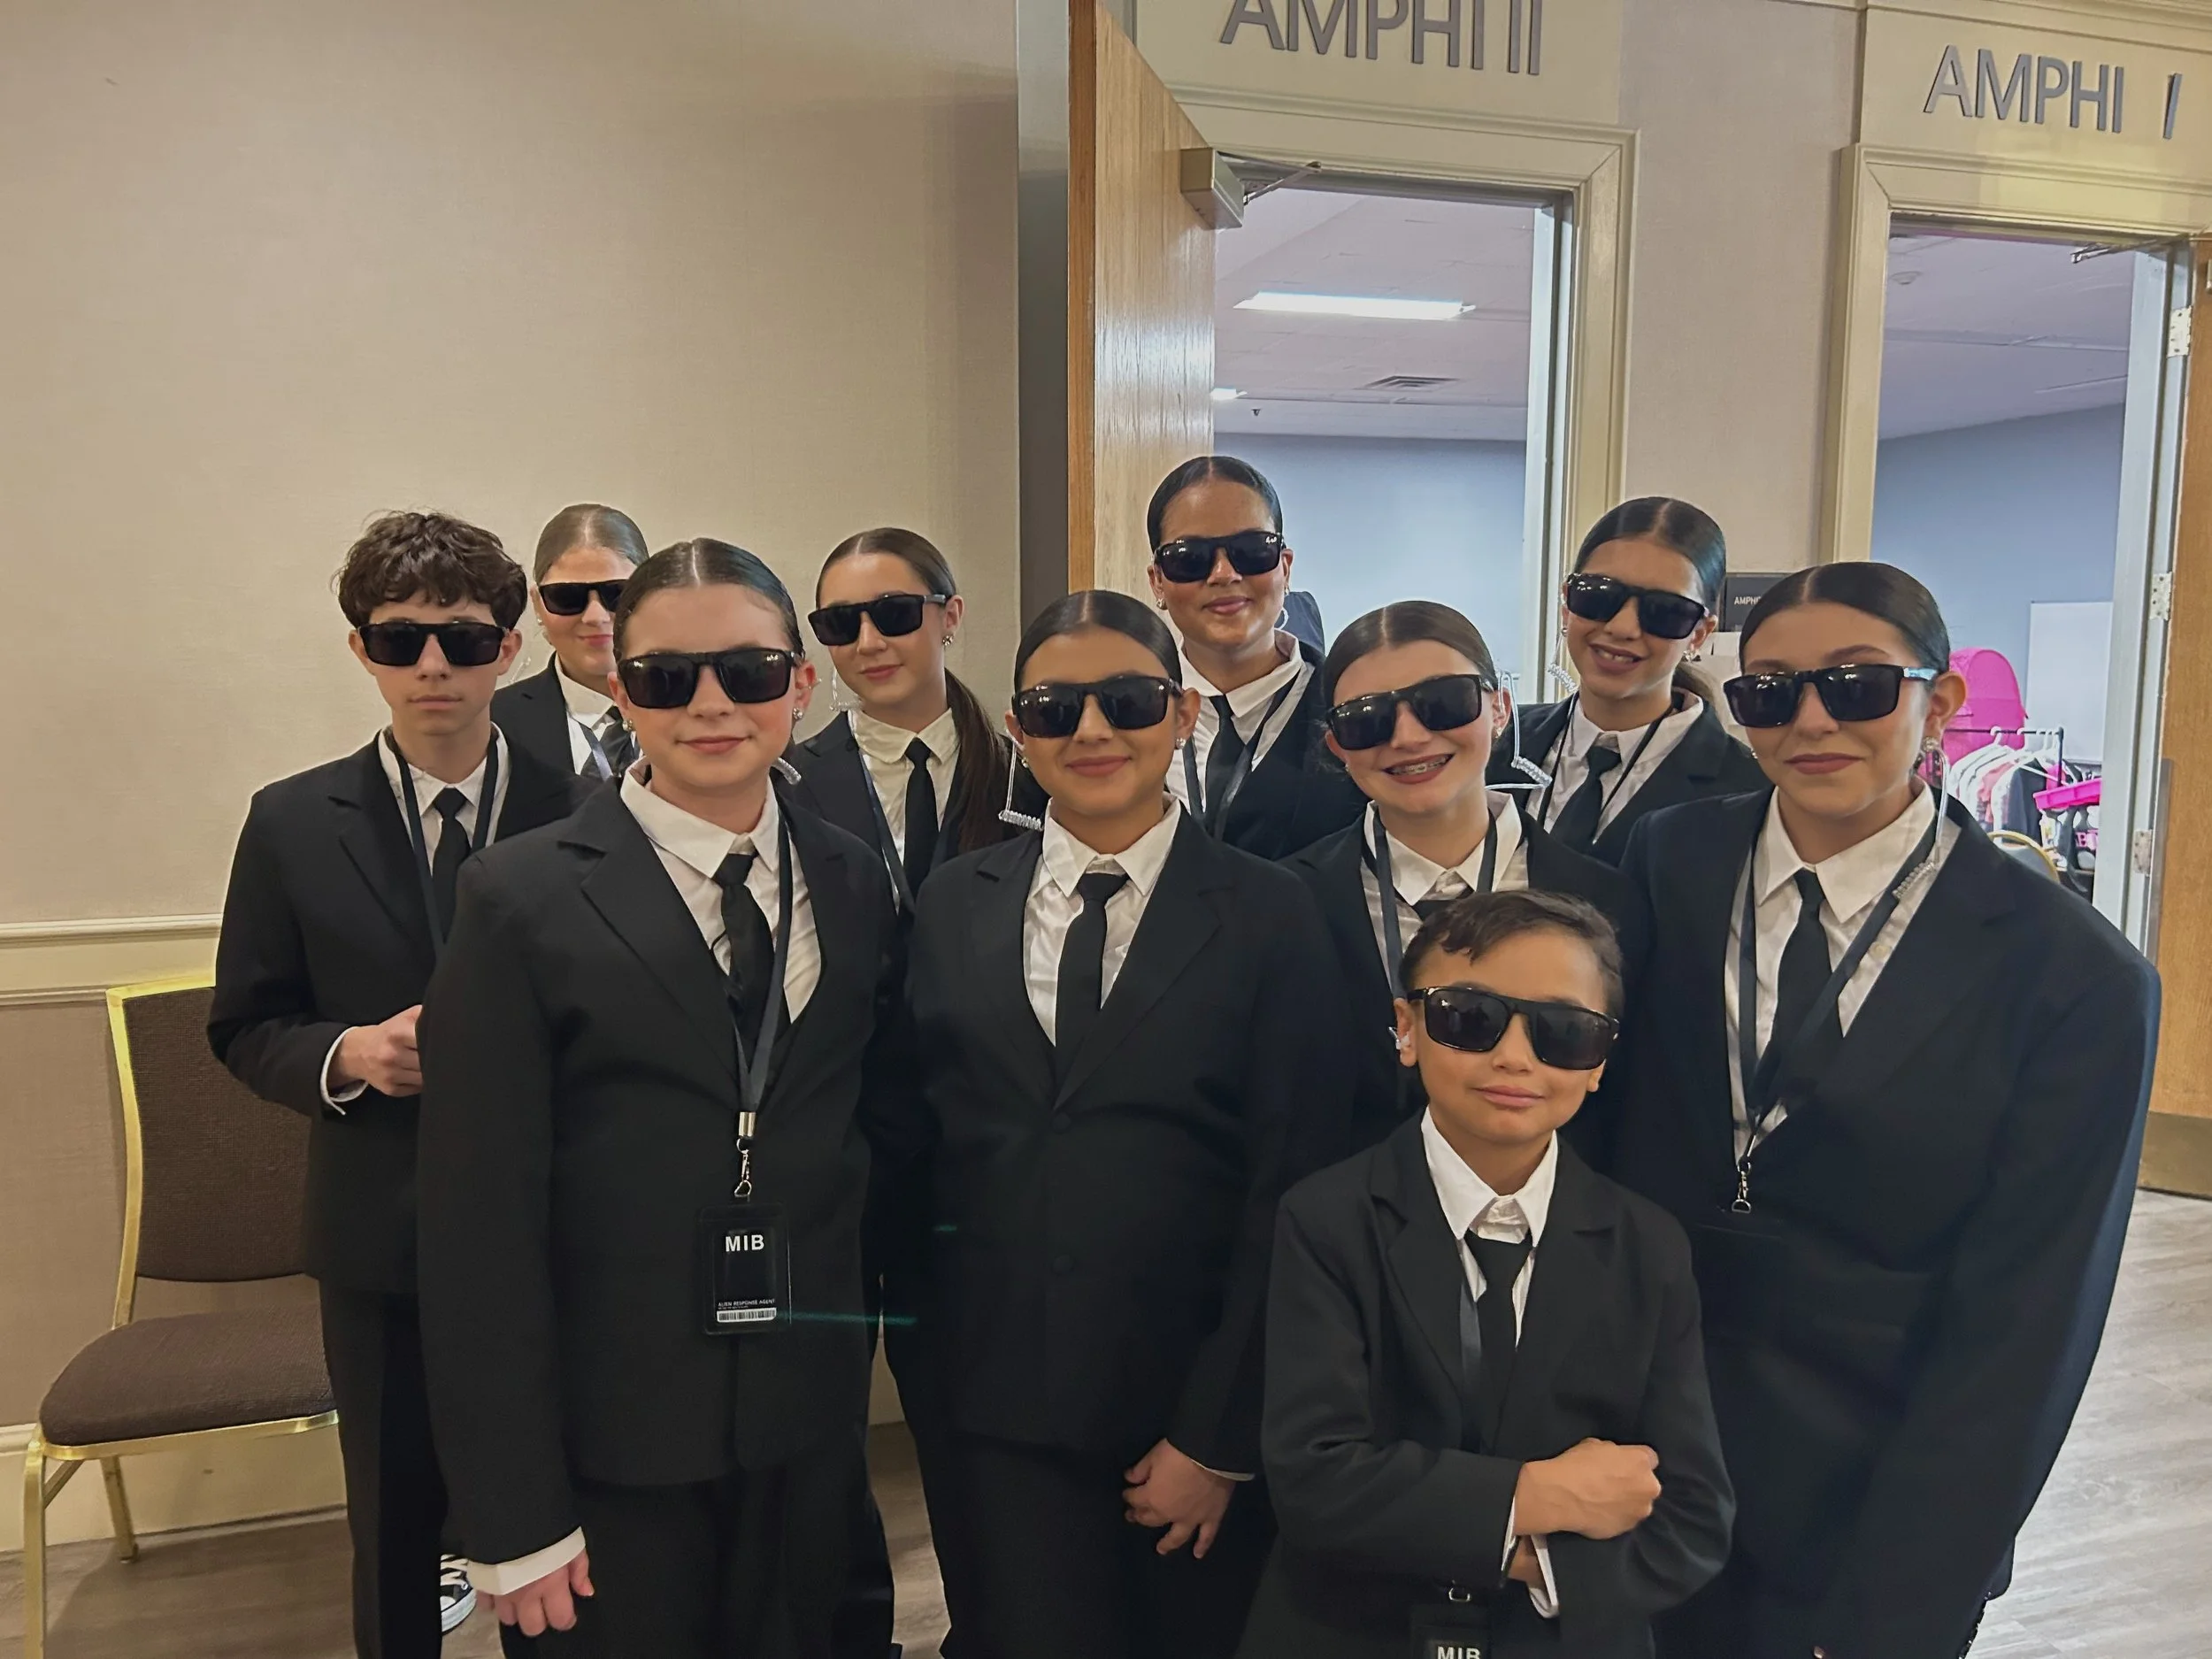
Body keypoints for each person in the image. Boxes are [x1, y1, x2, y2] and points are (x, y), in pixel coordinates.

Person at [1610, 564, 2161, 1659]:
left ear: (1940, 704)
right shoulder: (1671, 860)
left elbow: (2029, 1326)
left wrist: (1901, 1602)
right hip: (1634, 1460)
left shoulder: (2072, 976)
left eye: (1856, 686)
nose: (1809, 720)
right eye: (1768, 693)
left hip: (1861, 1500)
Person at [415, 539, 912, 1659]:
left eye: (745, 671)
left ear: (800, 681)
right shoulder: (518, 898)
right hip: (612, 1443)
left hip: (805, 1419)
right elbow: (472, 1229)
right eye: (663, 677)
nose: (708, 705)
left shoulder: (850, 875)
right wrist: (509, 1513)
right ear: (614, 687)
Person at [902, 589, 1356, 1659]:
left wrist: (1222, 1433)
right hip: (994, 1402)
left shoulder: (1273, 912)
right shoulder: (952, 901)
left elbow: (1293, 1181)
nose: (1093, 732)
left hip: (1186, 1401)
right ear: (1017, 729)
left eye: (1129, 701)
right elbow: (921, 1146)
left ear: (1184, 715)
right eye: (1056, 709)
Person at [207, 511, 588, 1659]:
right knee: (392, 1525)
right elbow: (245, 1021)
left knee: (560, 1525)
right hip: (382, 1229)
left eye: (466, 641)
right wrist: (350, 1054)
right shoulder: (288, 821)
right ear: (360, 650)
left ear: (510, 648)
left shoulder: (589, 809)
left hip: (557, 1227)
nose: (435, 666)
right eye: (402, 639)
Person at [1241, 890, 1733, 1657]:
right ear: (1406, 1028)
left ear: (1599, 1061)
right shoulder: (1328, 1217)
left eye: (1563, 1031)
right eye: (1469, 1017)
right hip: (1348, 1630)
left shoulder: (1648, 1245)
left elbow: (1693, 1515)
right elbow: (1316, 1480)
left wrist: (1532, 1560)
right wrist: (1534, 1498)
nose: (1514, 1056)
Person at [1289, 602, 1647, 1154]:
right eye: (1367, 719)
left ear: (1500, 709)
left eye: (1443, 702)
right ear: (1337, 745)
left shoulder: (1608, 901)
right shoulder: (1285, 905)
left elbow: (1629, 1108)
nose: (1408, 737)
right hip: (1338, 1228)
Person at [1492, 499, 1765, 864]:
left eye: (1664, 611)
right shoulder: (1497, 744)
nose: (1622, 628)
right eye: (1599, 596)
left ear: (1699, 634)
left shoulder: (1749, 790)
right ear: (1566, 604)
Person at [1147, 456, 1365, 859]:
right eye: (1189, 557)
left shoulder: (1356, 713)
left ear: (1285, 566)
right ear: (1158, 580)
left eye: (1251, 550)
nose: (1224, 574)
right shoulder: (1121, 711)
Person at [493, 503, 650, 783]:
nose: (595, 616)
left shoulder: (697, 705)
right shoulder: (492, 725)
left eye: (618, 594)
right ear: (538, 604)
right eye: (567, 597)